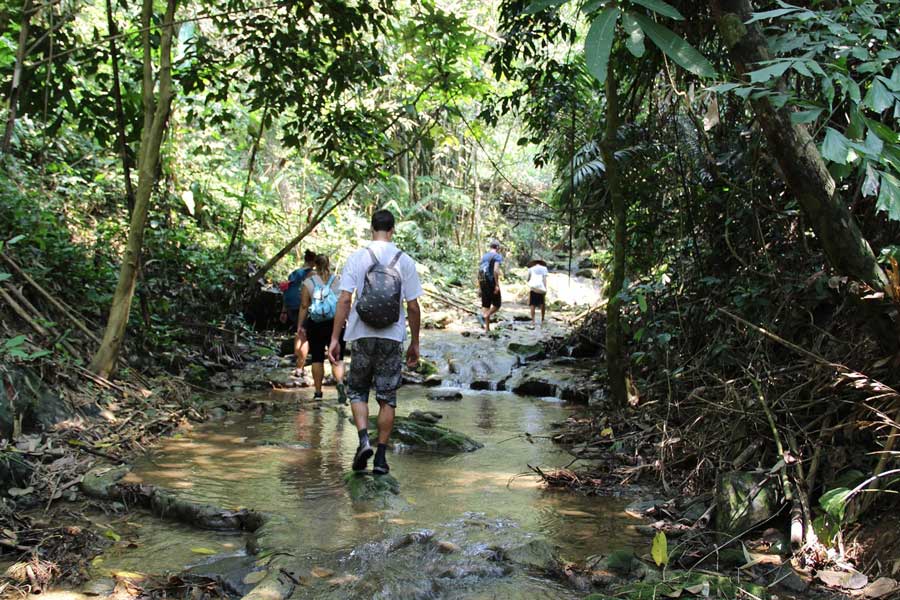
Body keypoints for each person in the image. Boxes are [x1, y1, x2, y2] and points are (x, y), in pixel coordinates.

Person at [328, 209, 422, 475]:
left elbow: (345, 300)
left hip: (361, 334)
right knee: (387, 398)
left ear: (372, 229)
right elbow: (413, 307)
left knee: (357, 391)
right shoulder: (405, 261)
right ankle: (380, 458)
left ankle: (363, 441)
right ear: (392, 230)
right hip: (392, 337)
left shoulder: (358, 257)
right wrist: (415, 343)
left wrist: (335, 338)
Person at [297, 254, 347, 402]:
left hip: (316, 324)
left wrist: (300, 325)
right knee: (338, 357)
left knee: (317, 358)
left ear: (315, 265)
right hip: (336, 323)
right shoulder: (338, 281)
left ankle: (318, 393)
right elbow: (344, 302)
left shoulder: (308, 282)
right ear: (328, 264)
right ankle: (340, 383)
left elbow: (305, 305)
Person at [282, 249, 316, 379]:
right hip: (304, 307)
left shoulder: (293, 273)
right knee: (304, 335)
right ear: (313, 261)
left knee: (299, 332)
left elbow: (285, 291)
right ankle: (300, 366)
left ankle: (298, 360)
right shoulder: (312, 274)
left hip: (291, 307)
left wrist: (284, 310)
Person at [477, 240, 503, 332]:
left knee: (486, 305)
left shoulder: (484, 257)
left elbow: (479, 271)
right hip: (491, 282)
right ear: (497, 248)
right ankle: (486, 315)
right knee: (497, 304)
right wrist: (496, 285)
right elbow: (496, 270)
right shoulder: (497, 256)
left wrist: (479, 288)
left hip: (483, 282)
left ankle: (487, 329)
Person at [527, 258, 549, 326]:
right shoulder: (544, 269)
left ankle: (533, 320)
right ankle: (542, 319)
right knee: (542, 304)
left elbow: (528, 279)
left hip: (533, 288)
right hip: (541, 289)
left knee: (532, 304)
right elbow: (544, 280)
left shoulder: (531, 269)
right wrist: (545, 289)